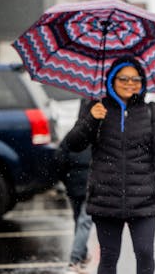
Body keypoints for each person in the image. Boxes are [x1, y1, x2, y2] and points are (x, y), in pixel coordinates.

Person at [64, 55, 155, 274]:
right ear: (112, 80)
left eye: (136, 80)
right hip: (105, 198)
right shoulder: (96, 108)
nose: (130, 84)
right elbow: (73, 144)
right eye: (123, 78)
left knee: (145, 254)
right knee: (108, 258)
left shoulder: (151, 111)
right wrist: (90, 120)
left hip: (143, 199)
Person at [57, 99, 93, 274]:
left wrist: (65, 178)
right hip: (90, 185)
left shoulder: (72, 134)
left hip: (73, 184)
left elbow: (60, 157)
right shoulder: (97, 133)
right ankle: (75, 259)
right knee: (84, 222)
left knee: (78, 219)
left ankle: (82, 254)